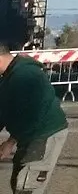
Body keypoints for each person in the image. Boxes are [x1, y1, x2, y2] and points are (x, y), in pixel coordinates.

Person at [0, 48, 68, 194]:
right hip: (31, 133)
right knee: (19, 180)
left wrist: (11, 142)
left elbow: (31, 115)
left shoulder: (25, 75)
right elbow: (6, 111)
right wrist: (10, 142)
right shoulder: (8, 77)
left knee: (26, 186)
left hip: (44, 134)